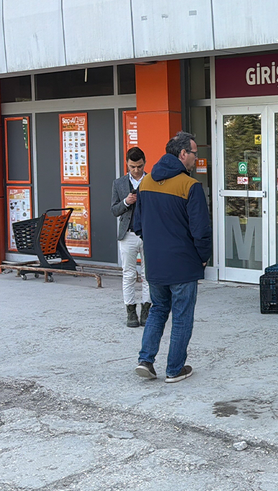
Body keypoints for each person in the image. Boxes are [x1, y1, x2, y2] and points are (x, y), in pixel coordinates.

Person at [133, 132, 212, 383]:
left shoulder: (144, 184)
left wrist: (155, 247)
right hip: (183, 264)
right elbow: (201, 231)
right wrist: (203, 257)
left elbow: (138, 225)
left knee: (157, 310)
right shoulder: (190, 186)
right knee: (182, 316)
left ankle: (146, 361)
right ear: (182, 154)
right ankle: (174, 369)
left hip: (155, 263)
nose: (195, 159)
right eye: (194, 154)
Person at [110, 147, 150, 328]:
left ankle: (146, 310)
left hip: (149, 234)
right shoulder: (118, 184)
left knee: (148, 275)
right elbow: (114, 210)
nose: (136, 170)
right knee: (128, 274)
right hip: (128, 234)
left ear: (144, 162)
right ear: (127, 164)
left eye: (139, 166)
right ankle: (131, 311)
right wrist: (126, 202)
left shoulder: (152, 181)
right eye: (133, 166)